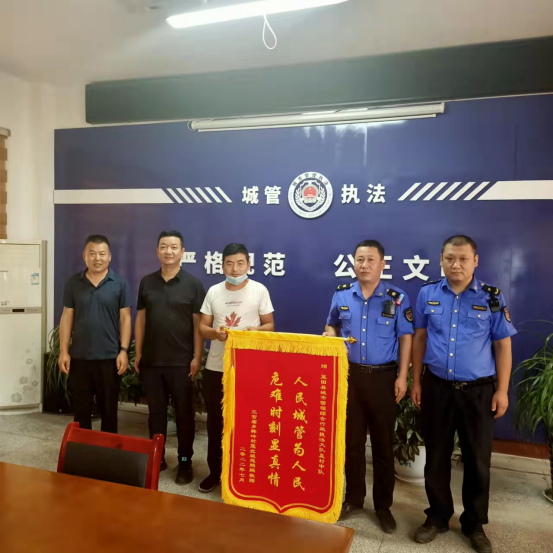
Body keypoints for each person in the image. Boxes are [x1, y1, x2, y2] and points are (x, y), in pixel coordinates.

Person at [411, 235, 516, 553]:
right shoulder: (428, 293)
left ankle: (474, 524)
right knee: (436, 456)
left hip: (478, 392)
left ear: (475, 261)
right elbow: (419, 338)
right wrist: (416, 382)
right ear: (441, 260)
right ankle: (438, 516)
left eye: (463, 259)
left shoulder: (491, 297)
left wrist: (502, 390)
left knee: (477, 460)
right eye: (450, 258)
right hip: (437, 387)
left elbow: (503, 345)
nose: (456, 265)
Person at [324, 240, 413, 533]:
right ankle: (354, 499)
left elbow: (406, 338)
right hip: (350, 378)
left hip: (383, 378)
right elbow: (332, 325)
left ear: (382, 264)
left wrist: (402, 376)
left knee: (383, 445)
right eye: (360, 260)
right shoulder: (342, 294)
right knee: (352, 443)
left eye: (370, 260)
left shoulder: (397, 298)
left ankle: (383, 506)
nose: (364, 265)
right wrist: (330, 335)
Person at [199, 243, 275, 493]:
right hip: (216, 368)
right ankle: (215, 472)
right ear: (222, 265)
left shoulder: (259, 290)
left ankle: (245, 472)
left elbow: (270, 325)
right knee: (215, 422)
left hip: (248, 369)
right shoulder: (214, 291)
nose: (235, 269)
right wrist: (215, 333)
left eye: (240, 263)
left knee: (247, 422)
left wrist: (255, 331)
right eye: (229, 263)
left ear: (248, 265)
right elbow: (203, 327)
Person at [134, 231, 206, 485]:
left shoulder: (193, 284)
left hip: (181, 362)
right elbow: (141, 319)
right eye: (164, 246)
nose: (169, 251)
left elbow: (198, 324)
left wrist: (197, 356)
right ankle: (157, 456)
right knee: (155, 414)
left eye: (174, 247)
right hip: (152, 361)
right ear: (157, 251)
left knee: (184, 415)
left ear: (182, 252)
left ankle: (185, 462)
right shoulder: (147, 282)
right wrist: (138, 352)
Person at [59, 235, 132, 434]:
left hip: (109, 358)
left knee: (109, 411)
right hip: (80, 357)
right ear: (84, 256)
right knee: (81, 411)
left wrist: (123, 350)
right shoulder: (74, 283)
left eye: (102, 254)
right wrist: (64, 351)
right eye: (92, 253)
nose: (97, 258)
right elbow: (67, 316)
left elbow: (125, 318)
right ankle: (83, 449)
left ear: (110, 256)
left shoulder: (120, 283)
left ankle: (108, 449)